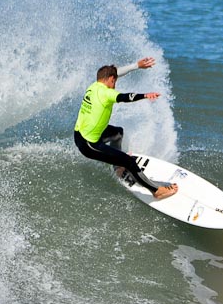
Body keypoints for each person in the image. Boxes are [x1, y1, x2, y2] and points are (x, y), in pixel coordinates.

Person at [73, 57, 178, 200]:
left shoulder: (94, 86)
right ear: (111, 79)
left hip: (80, 133)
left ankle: (117, 166)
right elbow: (125, 97)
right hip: (89, 144)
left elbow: (116, 72)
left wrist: (137, 65)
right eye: (114, 81)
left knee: (118, 133)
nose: (115, 84)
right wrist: (145, 95)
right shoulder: (107, 93)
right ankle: (156, 191)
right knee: (129, 162)